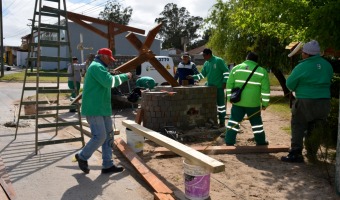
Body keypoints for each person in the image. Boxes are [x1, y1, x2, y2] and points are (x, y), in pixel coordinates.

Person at [75, 48, 132, 174]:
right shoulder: (96, 67)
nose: (111, 62)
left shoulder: (99, 67)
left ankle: (107, 164)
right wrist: (125, 76)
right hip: (94, 108)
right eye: (109, 59)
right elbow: (108, 82)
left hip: (102, 107)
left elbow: (105, 78)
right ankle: (82, 156)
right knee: (100, 136)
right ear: (103, 57)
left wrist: (112, 73)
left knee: (108, 137)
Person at [281, 40, 333, 163]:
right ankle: (312, 153)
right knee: (316, 127)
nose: (302, 54)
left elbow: (289, 84)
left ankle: (296, 153)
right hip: (324, 101)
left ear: (308, 54)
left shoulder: (302, 66)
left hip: (305, 101)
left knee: (298, 125)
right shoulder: (327, 65)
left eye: (303, 52)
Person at [224, 52, 270, 146]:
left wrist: (229, 98)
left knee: (233, 121)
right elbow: (265, 90)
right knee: (257, 124)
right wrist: (265, 103)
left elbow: (229, 84)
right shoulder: (262, 71)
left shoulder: (236, 69)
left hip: (238, 102)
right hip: (253, 104)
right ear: (256, 61)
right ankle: (261, 141)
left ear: (246, 58)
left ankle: (229, 141)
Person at [187, 48, 229, 127]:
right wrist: (193, 77)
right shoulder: (206, 63)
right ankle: (213, 121)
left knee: (221, 106)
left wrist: (224, 82)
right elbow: (203, 75)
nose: (203, 57)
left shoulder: (218, 61)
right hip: (210, 88)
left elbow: (226, 72)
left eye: (204, 55)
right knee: (212, 105)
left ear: (209, 54)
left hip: (219, 87)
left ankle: (222, 122)